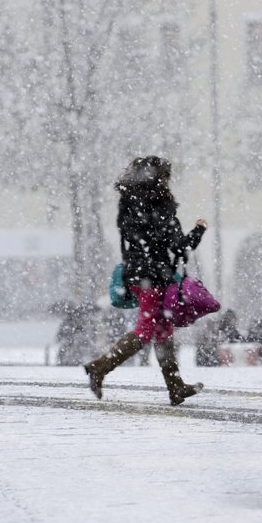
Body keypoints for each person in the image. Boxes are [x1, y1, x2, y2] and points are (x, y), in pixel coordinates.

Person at [84, 156, 207, 405]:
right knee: (147, 331)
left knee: (163, 331)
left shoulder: (128, 202)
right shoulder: (160, 205)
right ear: (159, 178)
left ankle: (175, 387)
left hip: (137, 273)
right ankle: (99, 367)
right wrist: (198, 230)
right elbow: (180, 246)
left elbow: (131, 235)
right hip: (154, 277)